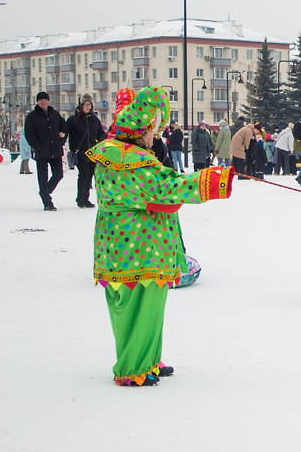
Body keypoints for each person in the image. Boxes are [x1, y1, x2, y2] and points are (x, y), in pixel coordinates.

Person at [86, 86, 234, 386]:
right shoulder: (133, 164)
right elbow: (169, 188)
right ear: (139, 134)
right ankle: (132, 368)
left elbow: (160, 191)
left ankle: (148, 361)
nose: (154, 136)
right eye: (151, 131)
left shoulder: (114, 158)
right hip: (139, 251)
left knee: (143, 309)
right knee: (138, 310)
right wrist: (214, 180)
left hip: (121, 248)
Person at [23, 91, 68, 211]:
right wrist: (36, 147)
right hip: (41, 152)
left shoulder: (54, 114)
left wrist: (62, 140)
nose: (44, 102)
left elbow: (64, 127)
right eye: (41, 100)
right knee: (42, 177)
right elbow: (29, 134)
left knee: (58, 174)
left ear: (48, 101)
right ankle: (47, 203)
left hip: (56, 150)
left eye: (46, 100)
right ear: (37, 102)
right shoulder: (32, 117)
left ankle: (44, 192)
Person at [66, 94, 107, 208]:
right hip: (80, 152)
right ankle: (80, 198)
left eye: (90, 104)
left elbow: (101, 133)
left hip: (93, 153)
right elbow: (65, 132)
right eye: (86, 104)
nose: (88, 107)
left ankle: (86, 198)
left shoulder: (94, 120)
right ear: (81, 105)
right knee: (83, 174)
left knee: (89, 175)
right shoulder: (74, 120)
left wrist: (100, 142)